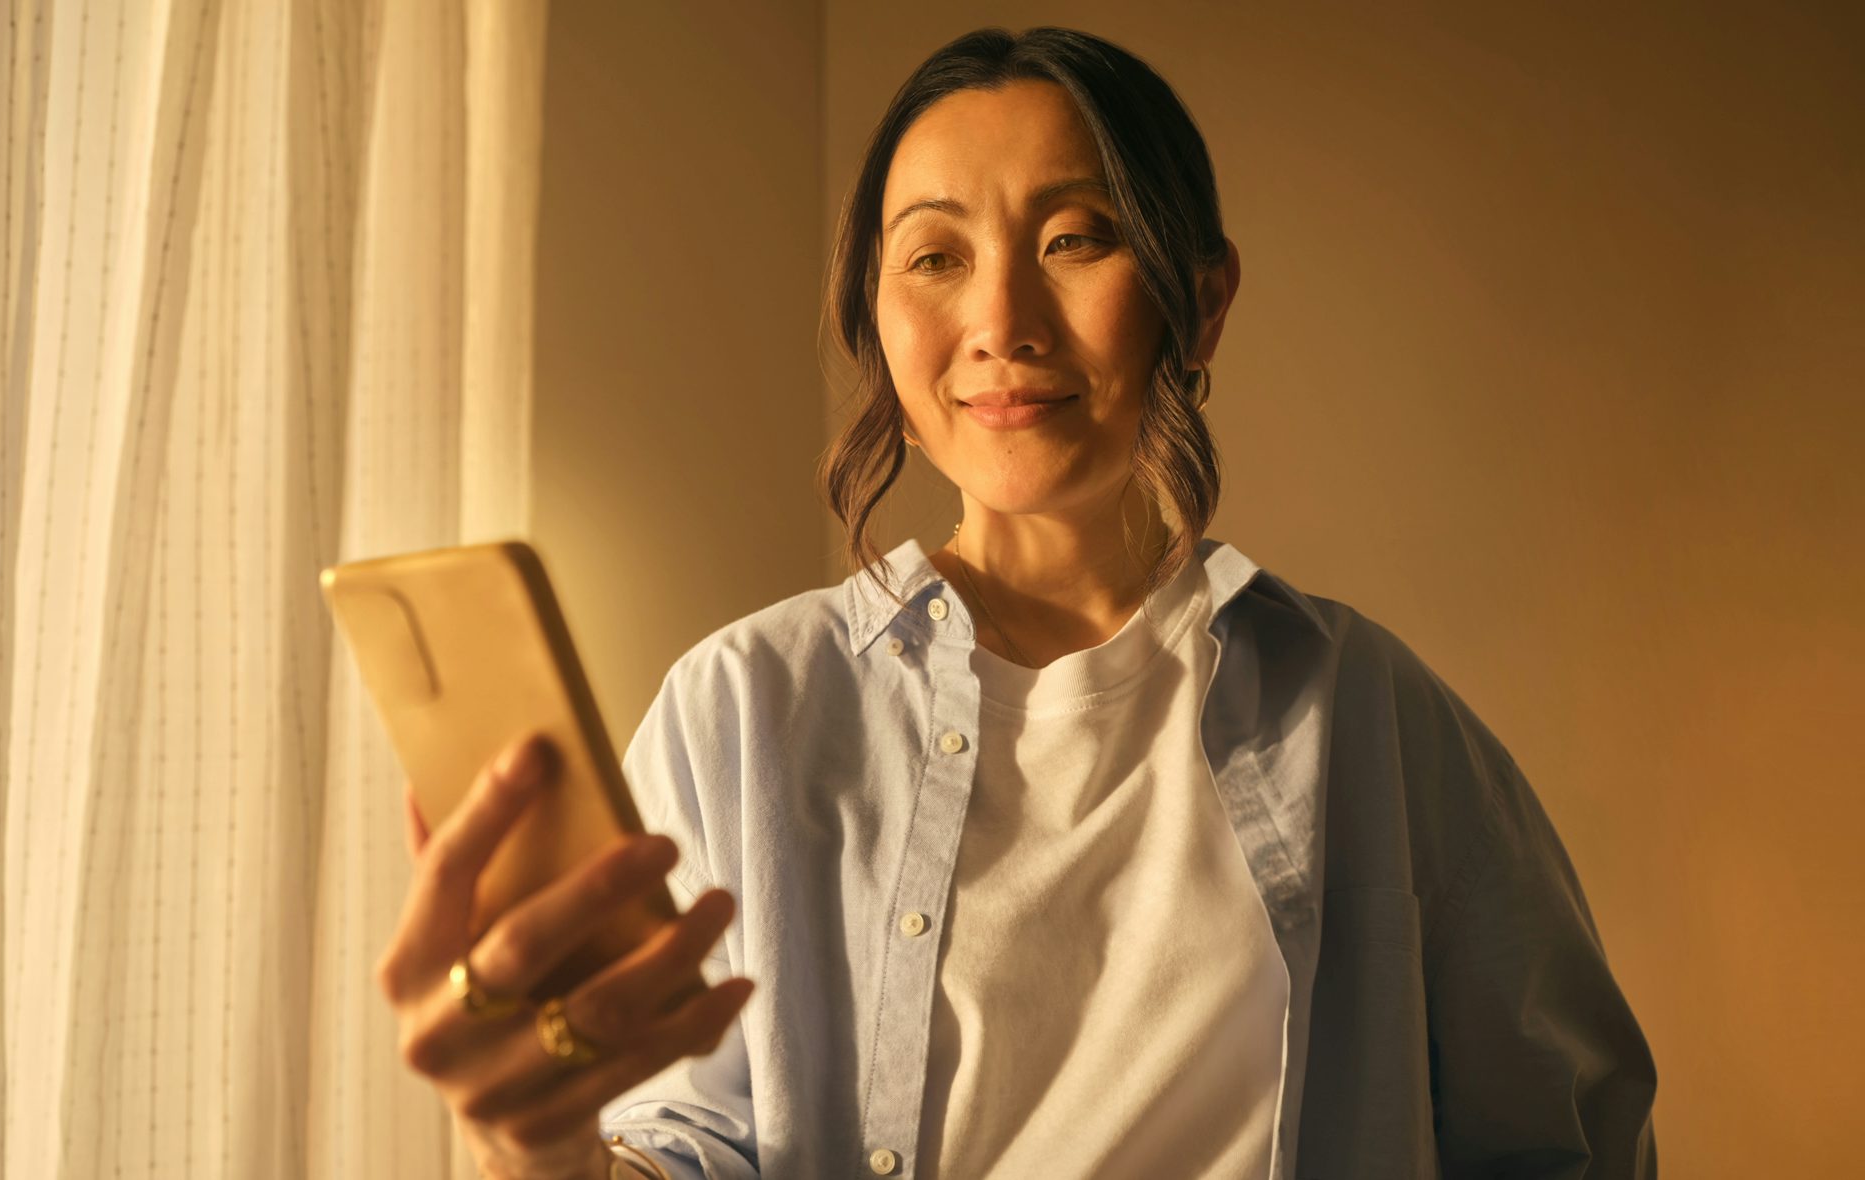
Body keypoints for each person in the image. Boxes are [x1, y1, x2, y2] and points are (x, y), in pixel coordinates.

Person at [376, 25, 1658, 1180]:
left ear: (1200, 300)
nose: (1001, 319)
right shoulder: (740, 708)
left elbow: (1571, 1139)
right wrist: (532, 1148)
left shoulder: (1367, 714)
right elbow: (679, 1147)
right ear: (873, 321)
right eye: (935, 255)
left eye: (1074, 238)